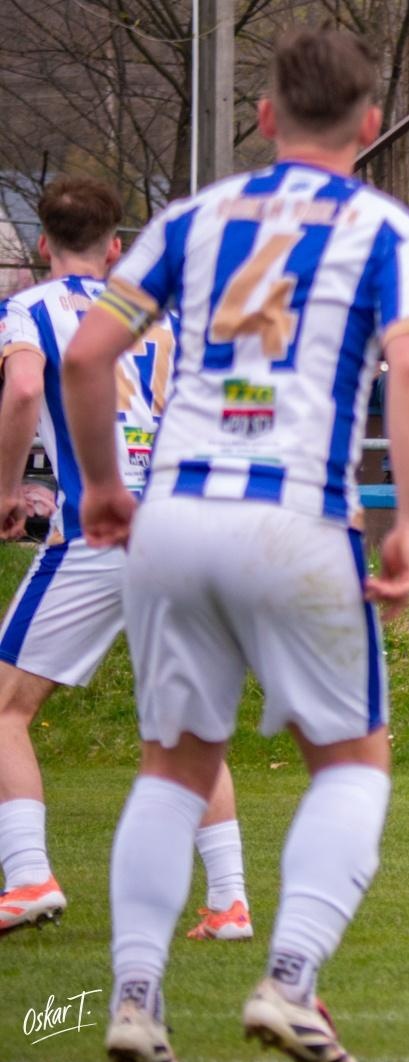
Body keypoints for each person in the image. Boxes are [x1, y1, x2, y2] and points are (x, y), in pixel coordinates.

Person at [62, 27, 409, 1062]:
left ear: (266, 118)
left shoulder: (192, 218)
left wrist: (101, 484)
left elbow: (90, 356)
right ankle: (290, 980)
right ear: (369, 126)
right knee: (353, 760)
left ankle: (135, 997)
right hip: (295, 514)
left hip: (174, 512)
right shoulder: (384, 229)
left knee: (173, 764)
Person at [0, 176, 252, 943]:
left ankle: (27, 876)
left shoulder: (29, 308)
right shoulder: (156, 314)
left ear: (43, 243)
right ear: (117, 247)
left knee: (5, 707)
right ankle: (231, 901)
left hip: (96, 526)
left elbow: (20, 390)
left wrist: (5, 487)